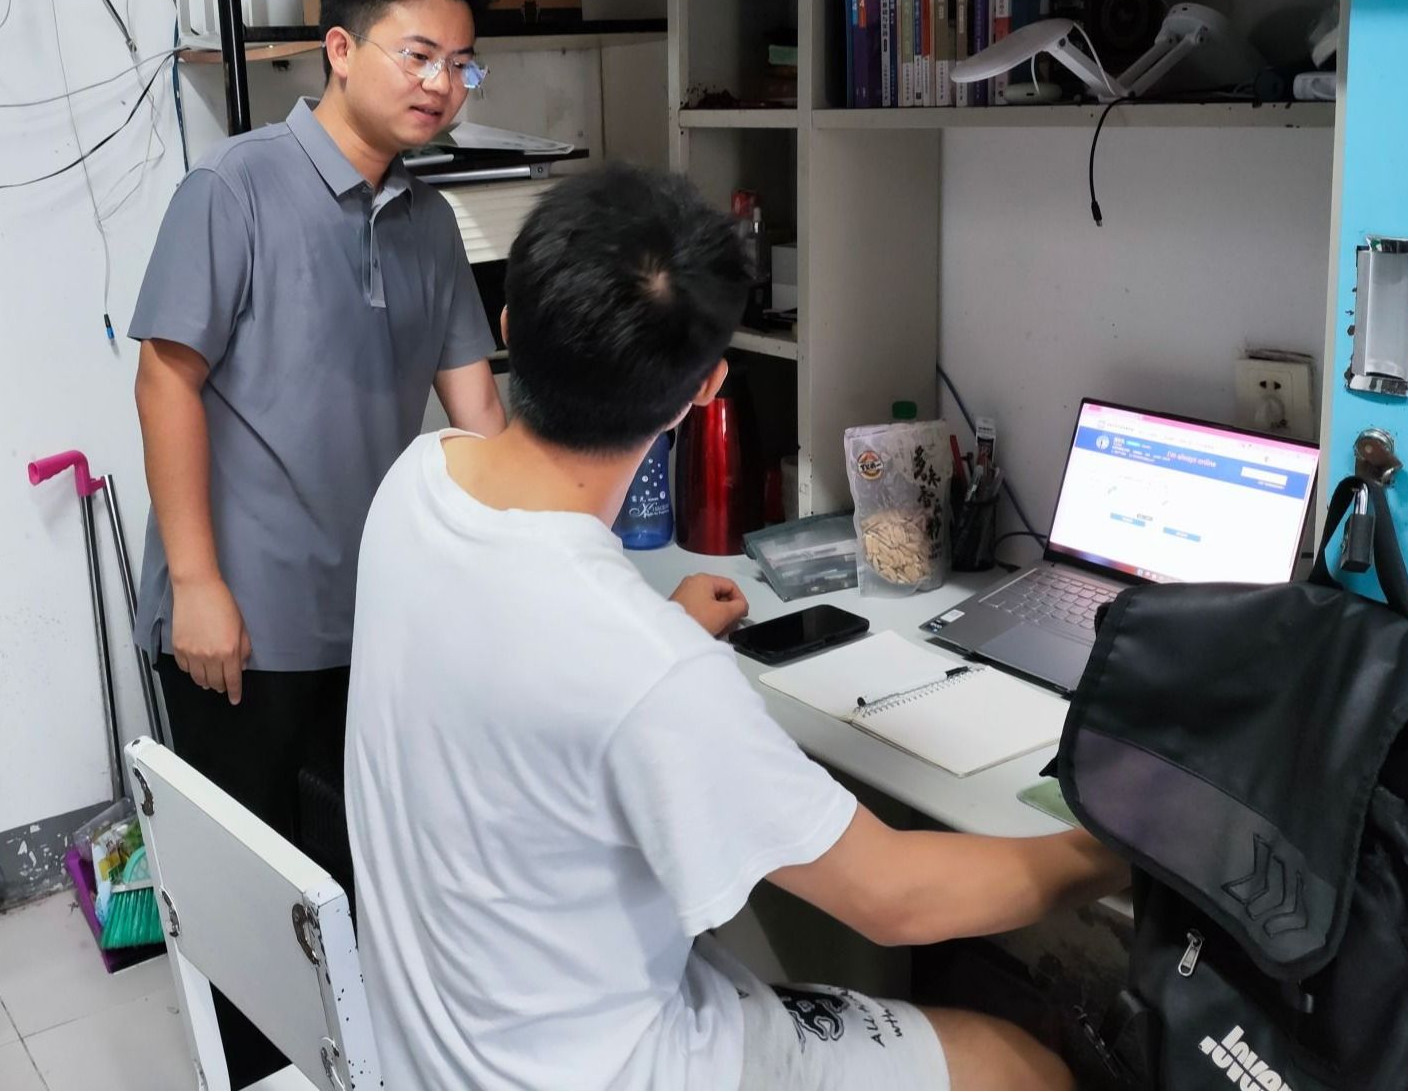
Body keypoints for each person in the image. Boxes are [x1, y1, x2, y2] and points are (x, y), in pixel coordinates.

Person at [344, 165, 1128, 1090]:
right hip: (617, 1071)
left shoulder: (418, 481)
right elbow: (893, 897)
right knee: (1021, 1064)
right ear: (704, 389)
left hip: (432, 1050)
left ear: (508, 328)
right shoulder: (647, 670)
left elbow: (515, 648)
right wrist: (1118, 853)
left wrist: (659, 631)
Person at [129, 0, 506, 1080]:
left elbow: (480, 421)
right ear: (340, 48)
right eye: (417, 54)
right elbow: (164, 378)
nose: (441, 84)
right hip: (239, 622)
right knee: (255, 911)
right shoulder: (234, 186)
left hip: (373, 614)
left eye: (461, 63)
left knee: (355, 883)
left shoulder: (430, 223)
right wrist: (197, 583)